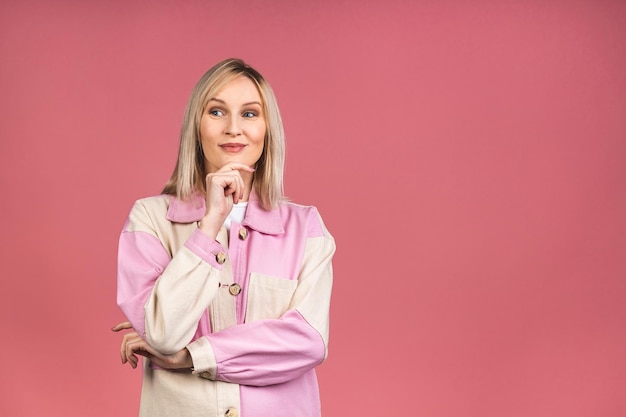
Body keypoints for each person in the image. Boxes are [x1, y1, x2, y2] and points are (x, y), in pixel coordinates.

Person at [112, 58, 335, 417]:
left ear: (267, 129)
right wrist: (209, 225)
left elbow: (307, 342)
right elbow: (164, 334)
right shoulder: (150, 220)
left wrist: (191, 356)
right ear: (196, 128)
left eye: (249, 114)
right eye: (217, 112)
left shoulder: (305, 227)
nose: (234, 128)